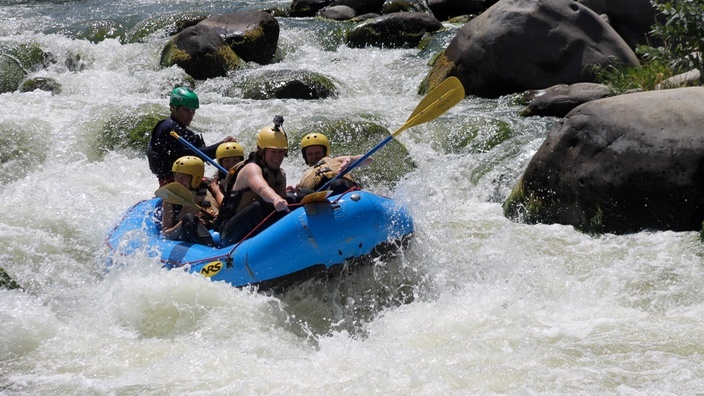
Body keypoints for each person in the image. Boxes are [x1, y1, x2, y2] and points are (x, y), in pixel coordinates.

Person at [215, 119, 290, 246]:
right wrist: (276, 198)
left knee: (300, 197)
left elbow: (284, 206)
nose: (278, 156)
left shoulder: (280, 175)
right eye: (273, 151)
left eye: (281, 152)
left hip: (257, 228)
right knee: (258, 208)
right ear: (262, 152)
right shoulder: (251, 168)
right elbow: (262, 188)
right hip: (230, 232)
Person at [147, 86, 236, 187]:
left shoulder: (179, 127)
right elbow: (195, 156)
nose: (190, 114)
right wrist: (221, 146)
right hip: (174, 181)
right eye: (186, 110)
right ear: (173, 108)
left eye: (193, 110)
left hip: (188, 178)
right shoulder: (169, 129)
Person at [160, 156, 217, 246]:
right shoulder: (170, 200)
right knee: (189, 218)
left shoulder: (210, 190)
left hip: (211, 232)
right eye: (176, 177)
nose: (178, 182)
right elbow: (166, 233)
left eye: (182, 178)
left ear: (195, 178)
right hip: (183, 233)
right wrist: (182, 224)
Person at [297, 132, 373, 195]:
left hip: (339, 186)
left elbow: (369, 160)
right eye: (310, 154)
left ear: (325, 152)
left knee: (338, 184)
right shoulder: (306, 174)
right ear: (305, 157)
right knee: (303, 194)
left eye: (317, 153)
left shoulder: (335, 160)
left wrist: (350, 159)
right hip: (317, 195)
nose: (314, 157)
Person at [208, 141, 245, 208]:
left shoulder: (247, 175)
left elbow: (226, 207)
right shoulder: (217, 180)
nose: (231, 165)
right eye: (226, 161)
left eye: (235, 160)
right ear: (220, 163)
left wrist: (216, 190)